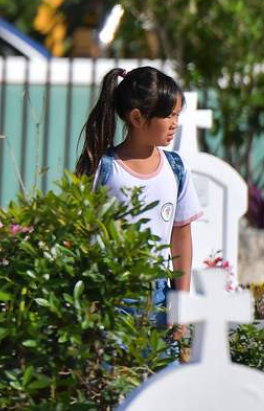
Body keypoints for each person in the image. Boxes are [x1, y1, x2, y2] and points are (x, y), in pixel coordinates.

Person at [75, 66, 202, 348]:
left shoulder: (175, 169)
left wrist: (181, 307)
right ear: (137, 117)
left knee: (160, 383)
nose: (174, 123)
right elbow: (82, 234)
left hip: (158, 299)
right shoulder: (104, 169)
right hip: (111, 298)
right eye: (168, 115)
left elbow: (180, 237)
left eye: (177, 115)